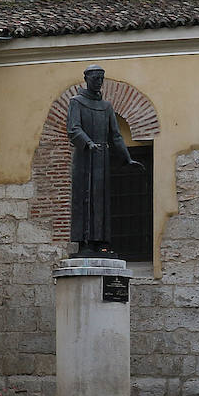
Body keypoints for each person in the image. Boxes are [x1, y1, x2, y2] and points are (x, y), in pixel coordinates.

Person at [68, 64, 144, 256]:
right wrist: (88, 143)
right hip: (85, 158)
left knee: (100, 200)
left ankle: (101, 241)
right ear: (86, 79)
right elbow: (74, 128)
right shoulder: (76, 102)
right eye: (96, 78)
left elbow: (116, 135)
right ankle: (84, 243)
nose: (99, 82)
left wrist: (127, 158)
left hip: (101, 159)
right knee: (84, 199)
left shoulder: (106, 106)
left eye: (101, 79)